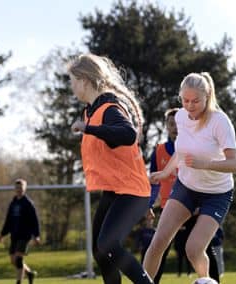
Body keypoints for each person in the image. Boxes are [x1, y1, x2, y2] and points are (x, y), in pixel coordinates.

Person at [144, 72, 236, 281]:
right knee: (158, 241)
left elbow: (235, 164)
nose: (189, 106)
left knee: (193, 249)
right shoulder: (180, 117)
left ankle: (206, 280)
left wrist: (205, 164)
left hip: (216, 194)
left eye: (195, 101)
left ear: (207, 96)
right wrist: (165, 172)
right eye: (185, 100)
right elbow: (181, 150)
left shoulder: (219, 122)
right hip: (186, 187)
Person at [68, 53, 153, 284]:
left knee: (108, 244)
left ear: (84, 80)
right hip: (115, 191)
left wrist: (89, 129)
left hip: (132, 192)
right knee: (99, 250)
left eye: (73, 81)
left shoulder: (109, 108)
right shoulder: (90, 111)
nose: (72, 87)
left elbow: (127, 134)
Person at [146, 108, 179, 283]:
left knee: (202, 248)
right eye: (171, 124)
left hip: (194, 206)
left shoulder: (193, 147)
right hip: (169, 208)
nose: (175, 127)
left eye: (179, 123)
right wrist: (149, 204)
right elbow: (153, 182)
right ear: (166, 126)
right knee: (159, 248)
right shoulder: (158, 151)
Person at [0, 179, 40, 284]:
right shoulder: (13, 203)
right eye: (17, 188)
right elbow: (8, 220)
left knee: (18, 259)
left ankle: (18, 282)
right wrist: (2, 234)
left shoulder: (28, 203)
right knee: (13, 260)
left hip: (25, 236)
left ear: (24, 189)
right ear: (14, 189)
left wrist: (36, 235)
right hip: (14, 235)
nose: (19, 190)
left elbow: (35, 220)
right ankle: (29, 273)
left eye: (21, 188)